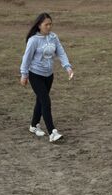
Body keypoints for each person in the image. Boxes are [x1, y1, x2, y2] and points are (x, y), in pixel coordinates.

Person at [20, 12, 73, 143]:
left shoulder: (54, 37)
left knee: (40, 100)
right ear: (39, 25)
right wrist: (24, 74)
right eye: (46, 24)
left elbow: (60, 52)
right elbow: (26, 59)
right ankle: (52, 132)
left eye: (50, 24)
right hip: (35, 75)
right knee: (45, 101)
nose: (49, 27)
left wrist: (67, 67)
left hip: (49, 75)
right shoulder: (33, 41)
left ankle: (33, 125)